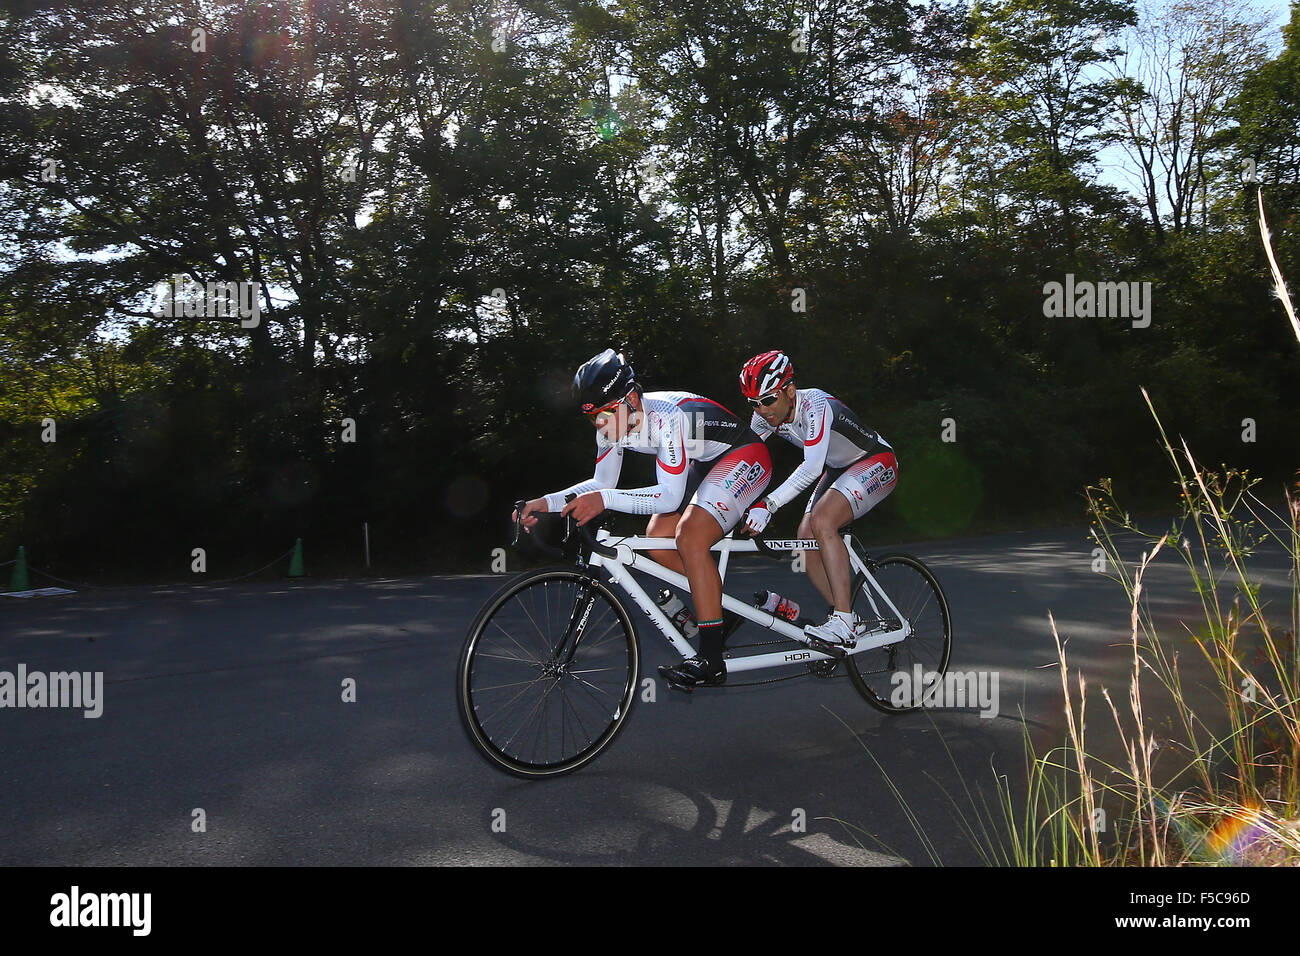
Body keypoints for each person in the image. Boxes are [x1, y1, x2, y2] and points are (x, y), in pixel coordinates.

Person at [516, 349, 772, 689]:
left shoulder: (668, 418)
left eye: (607, 414)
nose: (602, 426)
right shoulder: (612, 425)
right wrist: (543, 503)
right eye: (593, 419)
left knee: (690, 536)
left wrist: (603, 499)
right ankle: (721, 610)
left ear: (632, 398)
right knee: (659, 539)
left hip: (743, 454)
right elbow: (601, 483)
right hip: (701, 459)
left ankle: (711, 659)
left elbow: (666, 494)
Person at [737, 350, 899, 647]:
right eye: (753, 403)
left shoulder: (816, 405)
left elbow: (811, 467)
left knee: (824, 521)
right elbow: (740, 457)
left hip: (877, 460)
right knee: (805, 541)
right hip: (839, 468)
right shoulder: (764, 416)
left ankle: (843, 621)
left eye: (768, 400)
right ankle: (851, 619)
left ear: (789, 390)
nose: (762, 411)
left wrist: (768, 505)